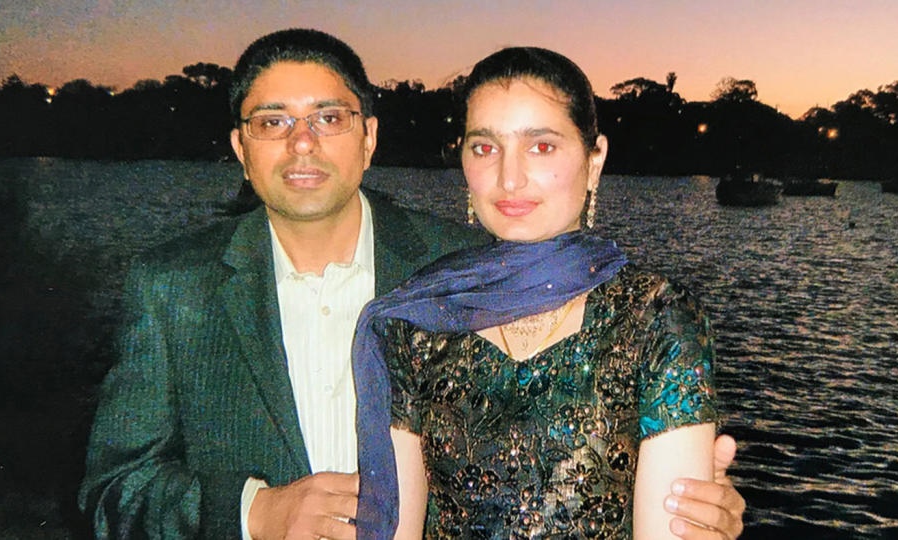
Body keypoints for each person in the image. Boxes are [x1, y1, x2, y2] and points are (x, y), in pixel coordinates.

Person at [80, 29, 744, 539]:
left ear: (369, 137)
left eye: (330, 118)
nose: (303, 143)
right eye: (273, 121)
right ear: (239, 146)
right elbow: (114, 491)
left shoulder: (464, 270)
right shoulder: (172, 286)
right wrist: (256, 513)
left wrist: (692, 504)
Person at [352, 47, 743, 539]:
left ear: (594, 159)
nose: (509, 178)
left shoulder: (657, 318)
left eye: (541, 146)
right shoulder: (420, 322)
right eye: (484, 148)